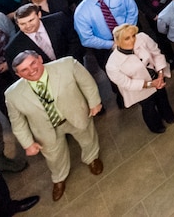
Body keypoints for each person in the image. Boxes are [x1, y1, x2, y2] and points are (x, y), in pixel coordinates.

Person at [6, 52, 103, 202]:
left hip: (75, 115)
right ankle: (59, 178)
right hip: (45, 130)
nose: (31, 70)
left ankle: (92, 158)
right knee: (54, 157)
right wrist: (28, 144)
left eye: (33, 63)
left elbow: (87, 83)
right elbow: (18, 122)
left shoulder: (67, 64)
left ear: (39, 59)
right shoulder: (12, 95)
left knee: (87, 138)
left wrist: (94, 102)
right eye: (24, 70)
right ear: (18, 74)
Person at [105, 24, 174, 135]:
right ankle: (156, 126)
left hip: (157, 78)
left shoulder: (142, 37)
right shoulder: (112, 65)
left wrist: (160, 75)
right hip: (141, 89)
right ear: (117, 42)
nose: (132, 40)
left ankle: (167, 115)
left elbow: (157, 54)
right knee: (149, 107)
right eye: (127, 38)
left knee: (162, 98)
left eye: (133, 35)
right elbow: (127, 83)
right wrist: (151, 84)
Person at [72, 0, 138, 66]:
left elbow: (132, 11)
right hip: (107, 47)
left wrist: (127, 34)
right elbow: (87, 39)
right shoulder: (80, 13)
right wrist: (112, 44)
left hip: (132, 33)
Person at [5, 4, 83, 66]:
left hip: (74, 64)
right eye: (22, 24)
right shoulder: (13, 48)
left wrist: (69, 63)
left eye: (31, 20)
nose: (28, 26)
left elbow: (75, 42)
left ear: (39, 15)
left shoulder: (59, 20)